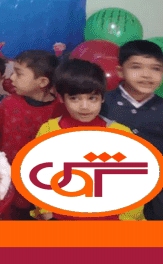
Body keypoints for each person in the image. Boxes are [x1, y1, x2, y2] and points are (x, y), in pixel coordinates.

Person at [33, 58, 137, 220]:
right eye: (74, 98)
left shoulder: (120, 134)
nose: (84, 106)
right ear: (62, 98)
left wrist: (127, 219)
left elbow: (134, 182)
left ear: (102, 98)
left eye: (92, 98)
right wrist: (46, 214)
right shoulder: (49, 131)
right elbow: (39, 176)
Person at [101, 40, 163, 220]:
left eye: (155, 69)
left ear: (162, 74)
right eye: (136, 67)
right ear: (120, 71)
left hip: (157, 202)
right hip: (109, 199)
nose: (146, 75)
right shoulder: (101, 104)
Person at [0, 49, 62, 219]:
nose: (12, 78)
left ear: (42, 81)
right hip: (8, 186)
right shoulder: (9, 104)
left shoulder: (60, 110)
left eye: (19, 74)